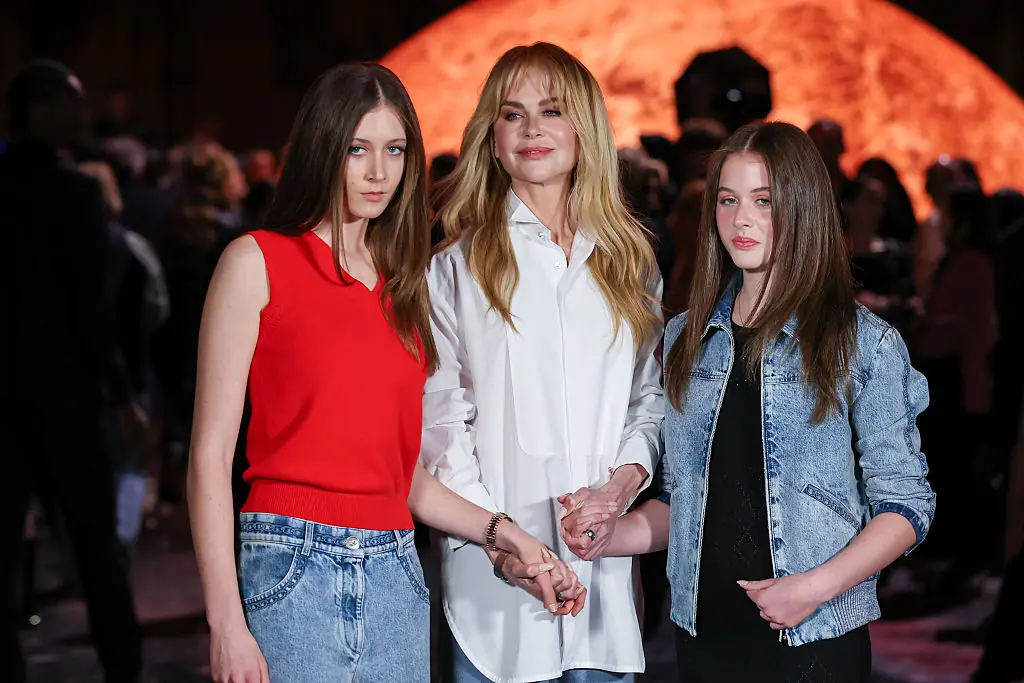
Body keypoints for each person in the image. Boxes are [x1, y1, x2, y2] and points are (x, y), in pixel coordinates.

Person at [187, 62, 579, 683]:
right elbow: (209, 457)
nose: (378, 172)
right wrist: (225, 623)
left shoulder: (406, 284)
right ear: (321, 149)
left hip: (396, 567)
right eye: (357, 149)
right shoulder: (256, 263)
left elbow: (403, 477)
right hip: (291, 563)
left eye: (395, 150)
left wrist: (505, 533)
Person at [584, 122, 936, 683]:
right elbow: (685, 500)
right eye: (728, 200)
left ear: (803, 207)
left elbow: (906, 505)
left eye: (763, 201)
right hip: (704, 636)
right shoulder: (686, 338)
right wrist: (612, 535)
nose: (741, 219)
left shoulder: (861, 343)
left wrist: (812, 589)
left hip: (813, 638)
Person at [423, 43, 664, 683]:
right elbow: (442, 429)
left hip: (605, 592)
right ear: (492, 139)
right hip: (493, 591)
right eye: (513, 114)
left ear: (585, 130)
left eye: (552, 111)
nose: (532, 128)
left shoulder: (629, 265)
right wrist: (504, 543)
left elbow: (648, 401)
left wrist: (617, 491)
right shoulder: (453, 269)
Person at [0, 60, 144, 683]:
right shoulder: (75, 193)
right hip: (68, 398)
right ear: (39, 109)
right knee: (96, 550)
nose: (82, 115)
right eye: (70, 101)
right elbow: (91, 309)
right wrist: (120, 397)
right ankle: (122, 670)